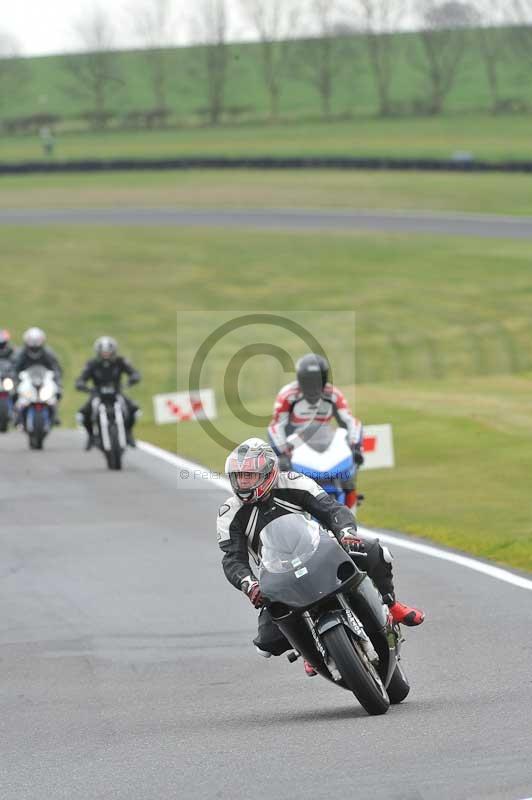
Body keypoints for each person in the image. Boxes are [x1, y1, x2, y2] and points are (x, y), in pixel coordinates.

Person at [217, 438, 424, 677]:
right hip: (277, 574)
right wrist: (249, 584)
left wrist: (346, 533)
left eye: (249, 476)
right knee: (267, 642)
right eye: (238, 476)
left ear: (268, 473)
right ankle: (309, 650)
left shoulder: (295, 482)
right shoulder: (228, 514)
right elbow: (232, 558)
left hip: (319, 550)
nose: (243, 482)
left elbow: (332, 509)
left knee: (375, 552)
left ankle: (391, 604)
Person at [268, 353, 364, 507]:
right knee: (280, 486)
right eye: (308, 382)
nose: (313, 387)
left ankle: (350, 508)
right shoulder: (288, 395)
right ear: (300, 380)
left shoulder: (333, 394)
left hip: (325, 443)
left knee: (348, 478)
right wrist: (282, 454)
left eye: (317, 382)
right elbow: (275, 426)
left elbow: (351, 422)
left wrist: (356, 447)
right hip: (294, 448)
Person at [75, 336, 141, 450]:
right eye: (103, 352)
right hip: (98, 394)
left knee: (134, 410)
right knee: (83, 414)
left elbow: (133, 373)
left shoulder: (120, 361)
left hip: (116, 392)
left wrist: (133, 379)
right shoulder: (92, 364)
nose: (106, 354)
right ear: (98, 352)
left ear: (113, 351)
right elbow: (82, 378)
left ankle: (129, 433)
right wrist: (82, 385)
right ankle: (91, 436)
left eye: (108, 351)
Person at [14, 328, 63, 423]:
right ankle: (17, 415)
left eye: (36, 341)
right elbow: (15, 367)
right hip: (27, 380)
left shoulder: (48, 353)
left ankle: (55, 414)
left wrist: (57, 380)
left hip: (44, 380)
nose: (34, 345)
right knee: (15, 392)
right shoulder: (22, 353)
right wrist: (15, 379)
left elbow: (56, 367)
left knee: (57, 393)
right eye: (32, 341)